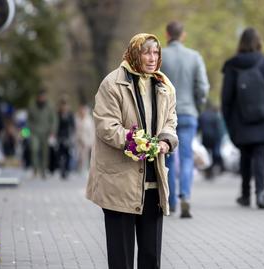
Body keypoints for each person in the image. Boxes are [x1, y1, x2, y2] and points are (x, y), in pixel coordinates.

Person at [86, 33, 178, 269]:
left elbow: (170, 120)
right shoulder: (112, 83)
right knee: (121, 259)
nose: (152, 58)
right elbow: (106, 125)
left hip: (153, 182)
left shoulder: (164, 84)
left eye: (156, 52)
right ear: (135, 53)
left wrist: (167, 140)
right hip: (119, 184)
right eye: (146, 52)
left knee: (151, 256)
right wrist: (133, 141)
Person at [221, 27, 264, 209]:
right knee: (261, 157)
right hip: (263, 119)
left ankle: (246, 194)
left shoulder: (232, 65)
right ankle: (262, 193)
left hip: (240, 120)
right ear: (258, 42)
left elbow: (226, 99)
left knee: (245, 157)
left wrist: (229, 122)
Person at [160, 21, 210, 218]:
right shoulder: (194, 57)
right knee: (188, 157)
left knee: (169, 156)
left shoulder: (161, 57)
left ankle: (171, 202)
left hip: (166, 115)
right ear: (183, 35)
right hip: (189, 113)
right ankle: (186, 196)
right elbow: (203, 88)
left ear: (167, 34)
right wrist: (197, 107)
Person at [27, 89, 57, 179]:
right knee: (34, 149)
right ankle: (35, 169)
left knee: (45, 152)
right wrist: (29, 129)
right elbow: (29, 119)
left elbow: (54, 119)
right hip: (34, 132)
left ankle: (43, 170)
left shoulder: (50, 106)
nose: (42, 98)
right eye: (40, 97)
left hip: (46, 132)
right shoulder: (32, 105)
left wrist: (53, 131)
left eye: (43, 97)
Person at [198, 102, 225, 179]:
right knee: (213, 155)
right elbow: (219, 128)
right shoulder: (215, 116)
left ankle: (208, 171)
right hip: (214, 139)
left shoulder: (202, 116)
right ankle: (212, 171)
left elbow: (199, 127)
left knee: (206, 155)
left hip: (205, 138)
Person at [56, 97, 75, 179]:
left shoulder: (70, 114)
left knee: (67, 154)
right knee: (60, 154)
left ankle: (66, 170)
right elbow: (56, 125)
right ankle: (61, 170)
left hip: (68, 137)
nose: (64, 107)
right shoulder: (58, 114)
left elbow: (73, 125)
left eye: (65, 105)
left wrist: (72, 135)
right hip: (60, 136)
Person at [75, 102, 94, 175]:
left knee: (85, 155)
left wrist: (91, 141)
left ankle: (85, 169)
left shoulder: (89, 119)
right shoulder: (76, 118)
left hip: (86, 140)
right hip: (78, 139)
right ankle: (78, 169)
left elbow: (92, 131)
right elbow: (75, 130)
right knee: (78, 155)